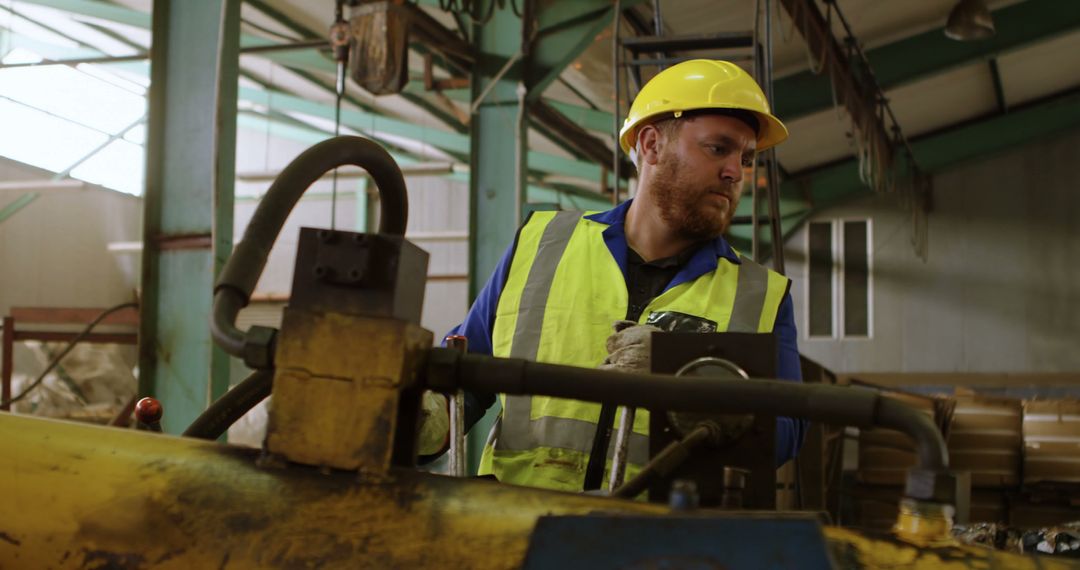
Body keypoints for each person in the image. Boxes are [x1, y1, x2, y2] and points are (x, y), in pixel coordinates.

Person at [419, 59, 805, 493]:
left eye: (746, 157)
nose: (736, 172)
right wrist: (422, 422)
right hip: (522, 529)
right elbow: (469, 378)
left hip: (661, 544)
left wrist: (679, 375)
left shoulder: (760, 294)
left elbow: (784, 437)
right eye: (719, 148)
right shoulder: (542, 244)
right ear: (652, 145)